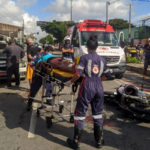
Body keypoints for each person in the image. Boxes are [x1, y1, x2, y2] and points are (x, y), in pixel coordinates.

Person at [66, 35, 114, 149]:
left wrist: (70, 82)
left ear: (87, 47)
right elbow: (108, 75)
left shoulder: (84, 58)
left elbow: (78, 74)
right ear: (97, 47)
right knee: (97, 114)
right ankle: (99, 141)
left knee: (80, 113)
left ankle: (76, 141)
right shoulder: (102, 59)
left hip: (87, 85)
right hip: (99, 86)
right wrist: (98, 79)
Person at [27, 46, 57, 111]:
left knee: (49, 88)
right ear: (46, 51)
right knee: (34, 88)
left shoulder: (53, 56)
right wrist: (36, 70)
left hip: (48, 75)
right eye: (49, 51)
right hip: (38, 75)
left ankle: (49, 100)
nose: (50, 53)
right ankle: (30, 102)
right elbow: (32, 63)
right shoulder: (39, 55)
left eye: (51, 52)